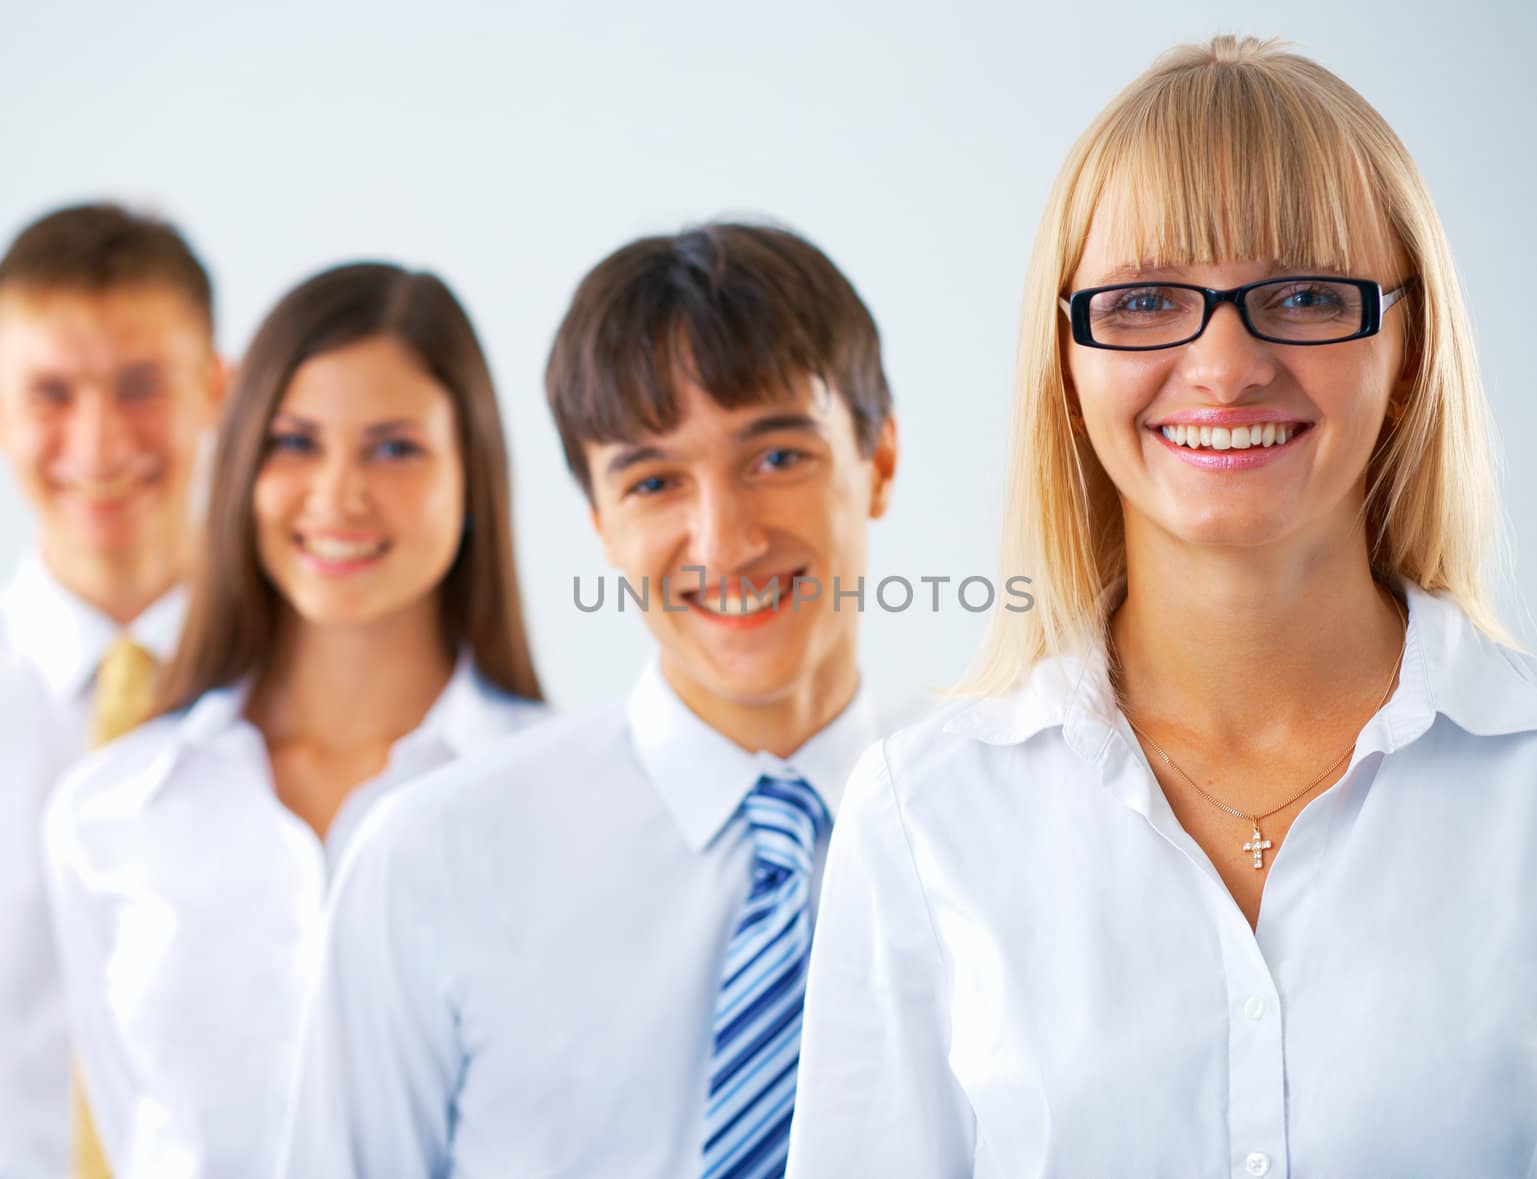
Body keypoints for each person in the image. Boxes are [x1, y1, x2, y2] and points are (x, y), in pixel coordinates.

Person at [787, 35, 1537, 1178]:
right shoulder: (923, 817)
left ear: (1409, 349)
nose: (1224, 367)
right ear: (1067, 370)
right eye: (1144, 301)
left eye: (1307, 294)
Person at [281, 222, 900, 1178]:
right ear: (602, 526)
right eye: (653, 481)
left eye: (776, 458)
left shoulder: (989, 834)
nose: (722, 540)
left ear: (881, 461)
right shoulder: (429, 861)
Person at [43, 261, 547, 1179]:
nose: (339, 494)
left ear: (473, 475)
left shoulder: (565, 798)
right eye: (295, 443)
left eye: (394, 447)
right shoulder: (111, 811)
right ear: (239, 466)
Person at [0, 202, 225, 1178]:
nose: (97, 443)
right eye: (51, 393)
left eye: (141, 386)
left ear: (215, 389)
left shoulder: (321, 694)